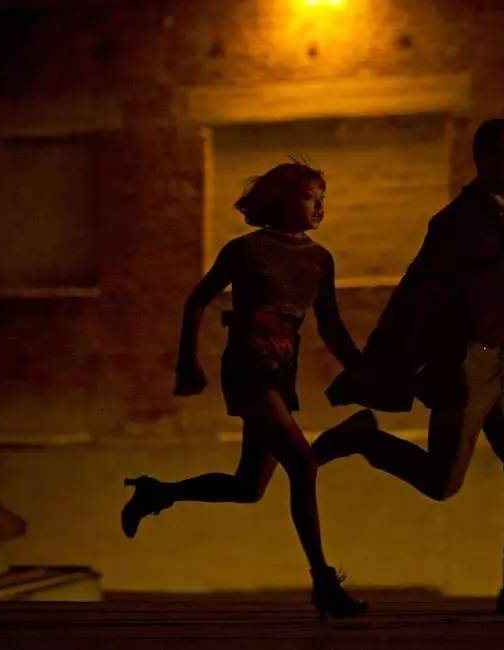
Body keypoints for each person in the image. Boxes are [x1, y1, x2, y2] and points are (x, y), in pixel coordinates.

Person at [314, 118, 504, 614]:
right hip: (464, 366)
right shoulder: (454, 224)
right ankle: (365, 438)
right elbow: (415, 294)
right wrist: (380, 366)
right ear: (485, 160)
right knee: (442, 482)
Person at [121, 162, 368, 619]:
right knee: (303, 465)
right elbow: (197, 301)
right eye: (310, 196)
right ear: (281, 200)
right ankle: (323, 583)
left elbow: (331, 326)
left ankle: (158, 493)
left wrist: (363, 368)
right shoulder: (246, 250)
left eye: (323, 197)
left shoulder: (320, 259)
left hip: (281, 373)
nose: (320, 206)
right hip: (248, 370)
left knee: (248, 487)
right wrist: (187, 362)